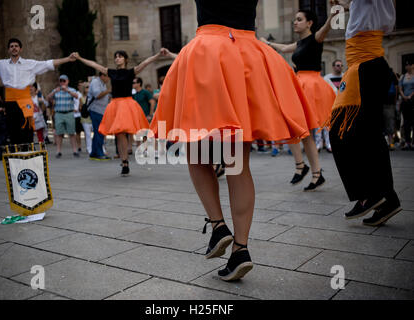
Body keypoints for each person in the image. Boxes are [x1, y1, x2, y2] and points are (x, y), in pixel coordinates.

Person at [150, 0, 315, 281]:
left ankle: (218, 225)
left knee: (196, 152)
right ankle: (241, 249)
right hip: (248, 54)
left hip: (209, 53)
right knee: (238, 163)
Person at [328, 0, 402, 227]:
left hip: (365, 67)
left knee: (342, 132)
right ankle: (385, 198)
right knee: (365, 133)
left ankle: (371, 195)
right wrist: (346, 5)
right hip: (367, 66)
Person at [264, 7, 338, 191]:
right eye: (294, 19)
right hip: (300, 85)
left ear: (309, 23)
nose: (294, 22)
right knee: (300, 131)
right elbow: (284, 48)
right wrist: (267, 43)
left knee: (303, 131)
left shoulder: (315, 38)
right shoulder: (300, 43)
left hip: (311, 85)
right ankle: (310, 170)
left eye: (299, 19)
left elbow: (326, 29)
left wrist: (333, 15)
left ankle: (308, 169)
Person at [0, 38, 76, 148]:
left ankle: (27, 155)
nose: (14, 48)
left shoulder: (30, 64)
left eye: (16, 46)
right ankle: (16, 158)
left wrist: (67, 59)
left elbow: (49, 64)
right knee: (13, 131)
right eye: (11, 46)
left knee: (26, 129)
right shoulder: (1, 64)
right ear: (8, 50)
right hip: (10, 101)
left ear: (20, 49)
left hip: (25, 101)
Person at [74, 49, 166, 176]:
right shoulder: (111, 72)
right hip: (116, 105)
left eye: (120, 56)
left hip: (127, 104)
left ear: (125, 59)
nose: (117, 58)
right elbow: (94, 65)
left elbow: (145, 63)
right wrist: (79, 58)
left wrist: (157, 55)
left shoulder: (130, 72)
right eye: (116, 57)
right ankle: (124, 162)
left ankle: (139, 152)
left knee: (129, 132)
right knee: (119, 134)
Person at [46, 75, 80, 158]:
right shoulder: (56, 90)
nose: (62, 83)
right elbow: (47, 98)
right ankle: (58, 151)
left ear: (67, 81)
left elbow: (76, 96)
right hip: (59, 114)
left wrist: (67, 91)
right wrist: (54, 92)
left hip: (69, 113)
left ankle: (75, 150)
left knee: (72, 133)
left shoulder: (71, 90)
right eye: (61, 81)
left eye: (64, 81)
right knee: (59, 133)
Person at [86, 72, 111, 161]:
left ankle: (94, 153)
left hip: (101, 111)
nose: (109, 79)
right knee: (99, 132)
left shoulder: (102, 83)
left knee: (99, 132)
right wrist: (109, 91)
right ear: (102, 76)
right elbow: (98, 95)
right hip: (96, 110)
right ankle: (99, 153)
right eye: (108, 76)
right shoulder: (96, 82)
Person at [399, 60, 414, 150]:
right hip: (405, 101)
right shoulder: (403, 77)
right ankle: (407, 142)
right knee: (406, 122)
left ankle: (413, 142)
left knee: (413, 121)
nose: (407, 67)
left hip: (412, 100)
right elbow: (400, 88)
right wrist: (404, 96)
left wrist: (410, 96)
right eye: (406, 65)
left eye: (409, 65)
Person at [383, 68, 399, 150]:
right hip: (386, 103)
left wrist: (395, 101)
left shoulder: (392, 75)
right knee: (388, 123)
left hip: (389, 103)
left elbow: (396, 88)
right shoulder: (391, 74)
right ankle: (390, 142)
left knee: (389, 123)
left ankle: (390, 142)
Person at [79, 81, 93, 154]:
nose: (89, 89)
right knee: (87, 135)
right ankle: (89, 148)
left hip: (93, 118)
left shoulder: (94, 97)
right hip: (85, 119)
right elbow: (80, 108)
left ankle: (99, 148)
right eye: (87, 87)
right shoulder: (81, 98)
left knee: (97, 134)